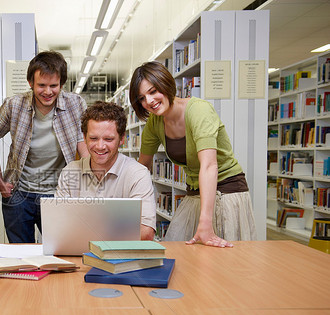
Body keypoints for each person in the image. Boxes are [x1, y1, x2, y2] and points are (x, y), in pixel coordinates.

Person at [129, 61, 256, 247]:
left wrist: (206, 223)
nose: (149, 101)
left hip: (227, 190)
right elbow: (142, 167)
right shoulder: (154, 124)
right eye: (141, 98)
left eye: (153, 91)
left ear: (166, 84)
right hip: (194, 192)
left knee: (224, 263)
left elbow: (209, 165)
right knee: (175, 248)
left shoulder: (199, 110)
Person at [0, 51, 89, 243]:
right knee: (21, 256)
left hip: (58, 193)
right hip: (18, 194)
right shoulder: (13, 105)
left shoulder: (76, 104)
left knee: (59, 251)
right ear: (30, 82)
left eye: (53, 86)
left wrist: (89, 175)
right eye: (41, 85)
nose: (48, 92)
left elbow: (82, 142)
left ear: (62, 84)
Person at [56, 101, 156, 240]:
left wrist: (84, 231)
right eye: (93, 138)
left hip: (122, 256)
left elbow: (146, 232)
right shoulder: (69, 172)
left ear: (121, 139)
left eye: (108, 139)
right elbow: (58, 227)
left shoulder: (137, 173)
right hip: (78, 254)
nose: (100, 146)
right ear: (84, 138)